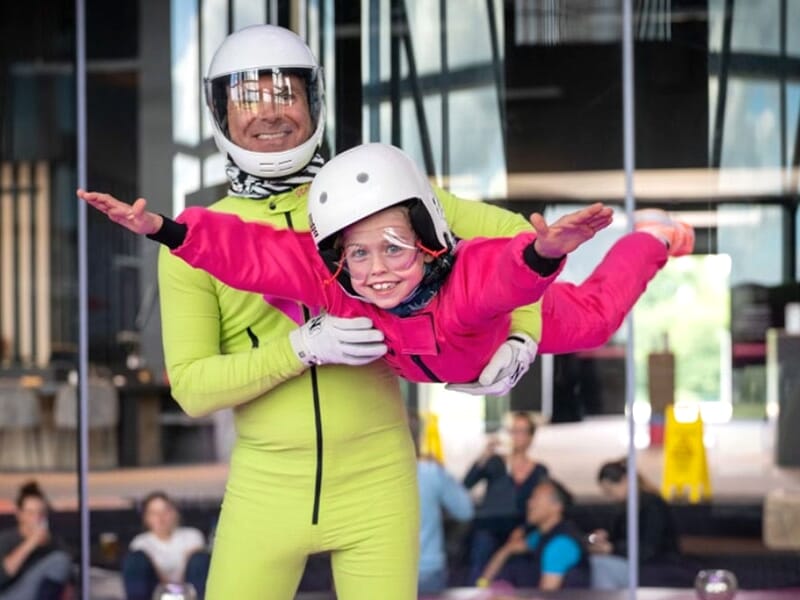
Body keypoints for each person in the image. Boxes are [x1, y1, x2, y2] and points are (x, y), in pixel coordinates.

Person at [81, 23, 691, 599]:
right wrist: (298, 350)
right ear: (220, 112)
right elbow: (192, 389)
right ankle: (652, 240)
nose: (269, 110)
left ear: (314, 100)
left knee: (588, 314)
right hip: (266, 488)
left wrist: (521, 337)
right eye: (248, 96)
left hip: (379, 481)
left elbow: (514, 244)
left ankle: (652, 240)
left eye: (285, 92)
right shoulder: (201, 236)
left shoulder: (372, 190)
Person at [78, 143, 614, 384]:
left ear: (427, 244)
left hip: (496, 333)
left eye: (393, 248)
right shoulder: (339, 288)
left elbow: (502, 274)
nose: (377, 269)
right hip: (436, 362)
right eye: (358, 253)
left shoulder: (462, 287)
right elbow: (252, 254)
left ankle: (657, 242)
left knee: (596, 321)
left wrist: (543, 254)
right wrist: (165, 230)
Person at [462, 411, 549, 584]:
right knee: (481, 554)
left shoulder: (539, 471)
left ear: (531, 437)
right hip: (489, 525)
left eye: (522, 431)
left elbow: (541, 504)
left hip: (518, 529)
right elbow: (467, 484)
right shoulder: (495, 462)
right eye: (513, 431)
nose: (517, 437)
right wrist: (485, 455)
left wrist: (524, 529)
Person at [477, 478, 588, 591]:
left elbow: (546, 596)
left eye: (536, 499)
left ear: (556, 506)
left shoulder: (560, 544)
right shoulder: (540, 536)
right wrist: (482, 586)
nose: (529, 503)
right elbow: (508, 549)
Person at [587, 458, 681, 590]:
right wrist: (606, 539)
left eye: (610, 490)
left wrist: (612, 548)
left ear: (626, 480)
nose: (610, 496)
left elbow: (649, 548)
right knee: (598, 564)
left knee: (601, 565)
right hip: (637, 564)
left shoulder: (652, 506)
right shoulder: (625, 508)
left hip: (656, 565)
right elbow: (621, 538)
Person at [122, 491, 210, 600]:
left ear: (175, 513)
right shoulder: (140, 541)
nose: (160, 518)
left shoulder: (192, 534)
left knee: (200, 559)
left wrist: (176, 589)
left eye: (165, 511)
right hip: (154, 591)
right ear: (146, 518)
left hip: (189, 589)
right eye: (154, 513)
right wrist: (167, 589)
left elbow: (196, 567)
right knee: (135, 560)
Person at [0, 481, 72, 600]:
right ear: (20, 514)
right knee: (59, 560)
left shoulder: (53, 542)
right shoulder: (5, 539)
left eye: (41, 513)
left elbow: (68, 580)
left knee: (60, 560)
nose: (36, 518)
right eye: (30, 513)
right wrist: (30, 543)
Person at [416, 453, 474, 596]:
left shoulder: (370, 475)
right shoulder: (430, 472)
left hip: (380, 569)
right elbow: (465, 510)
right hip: (427, 568)